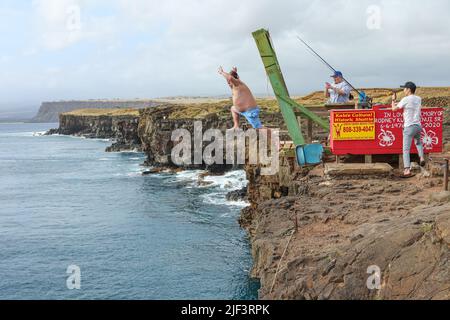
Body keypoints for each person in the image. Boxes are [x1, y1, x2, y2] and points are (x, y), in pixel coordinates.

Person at [392, 81, 425, 177]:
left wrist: (393, 100)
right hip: (418, 126)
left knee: (406, 150)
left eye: (405, 88)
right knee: (418, 143)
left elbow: (394, 109)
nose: (403, 90)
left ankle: (407, 170)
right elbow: (410, 104)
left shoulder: (405, 99)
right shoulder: (419, 98)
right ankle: (422, 157)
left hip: (409, 127)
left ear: (409, 90)